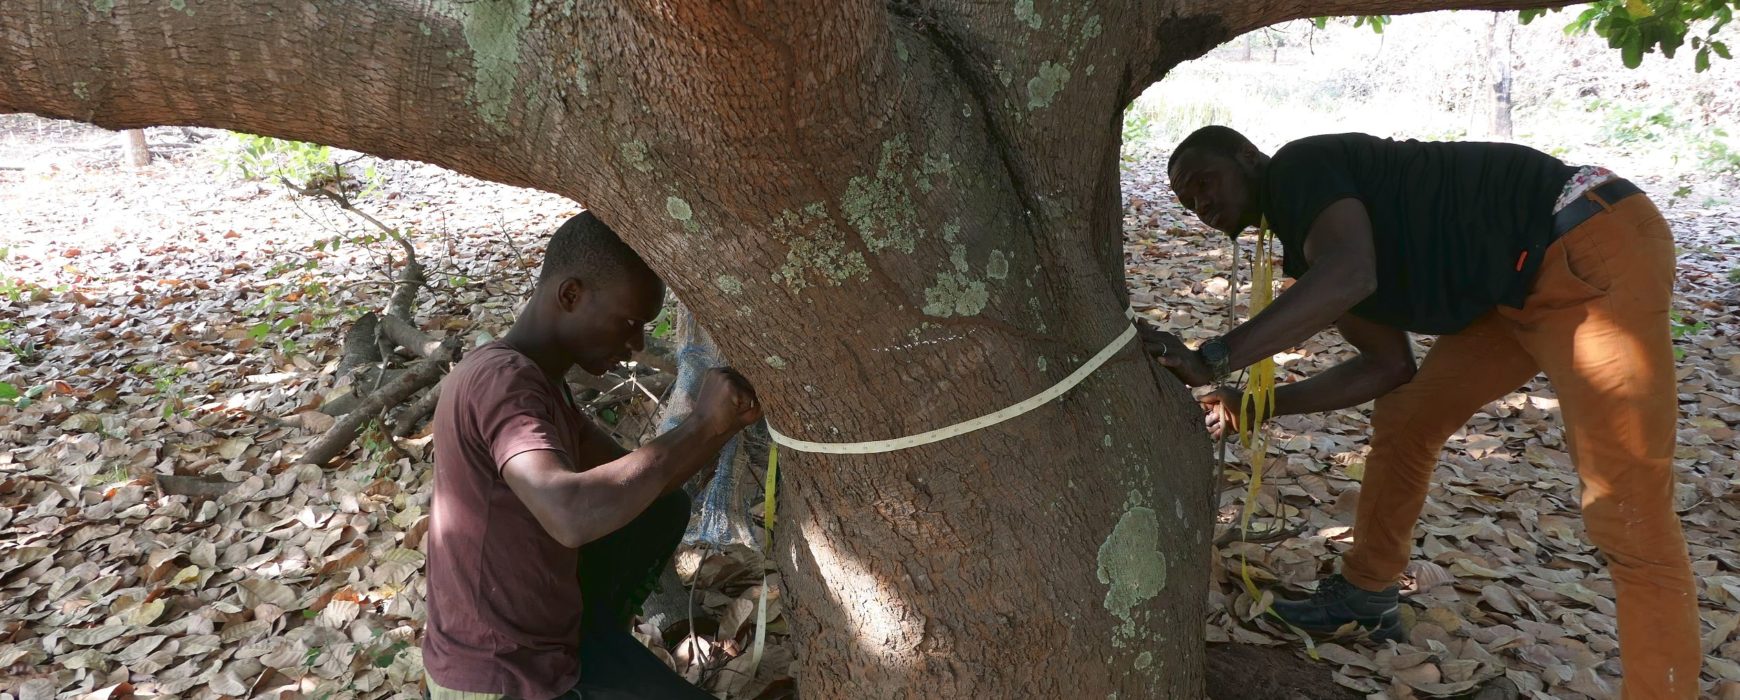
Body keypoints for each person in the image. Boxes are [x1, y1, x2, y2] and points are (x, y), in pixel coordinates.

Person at [1144, 126, 1698, 698]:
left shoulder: (1299, 167)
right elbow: (1387, 366)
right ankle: (1366, 594)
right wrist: (1257, 406)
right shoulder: (1312, 248)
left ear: (1246, 156)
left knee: (1627, 510)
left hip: (1587, 239)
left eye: (1204, 182)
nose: (1201, 204)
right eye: (1188, 201)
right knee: (1408, 418)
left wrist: (1214, 356)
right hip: (1516, 286)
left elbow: (1351, 273)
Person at [422, 212, 761, 700]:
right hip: (501, 674)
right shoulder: (503, 382)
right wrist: (702, 423)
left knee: (661, 508)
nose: (636, 345)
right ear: (570, 295)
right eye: (629, 323)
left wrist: (723, 425)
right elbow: (571, 513)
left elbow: (636, 480)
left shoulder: (538, 381)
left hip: (546, 641)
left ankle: (596, 630)